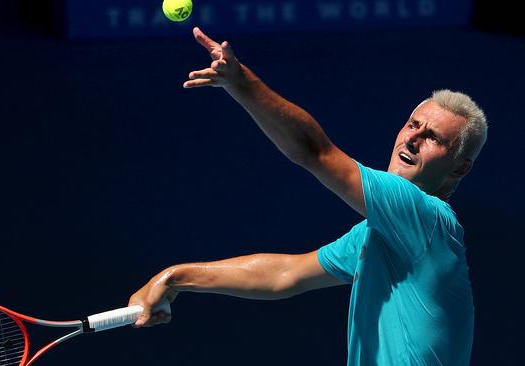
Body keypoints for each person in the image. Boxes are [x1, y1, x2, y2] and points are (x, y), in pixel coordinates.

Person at [128, 27, 487, 365]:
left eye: (433, 138)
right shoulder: (377, 234)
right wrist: (175, 276)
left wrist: (241, 83)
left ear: (459, 168)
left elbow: (315, 152)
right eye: (412, 124)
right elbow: (284, 274)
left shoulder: (425, 218)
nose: (412, 138)